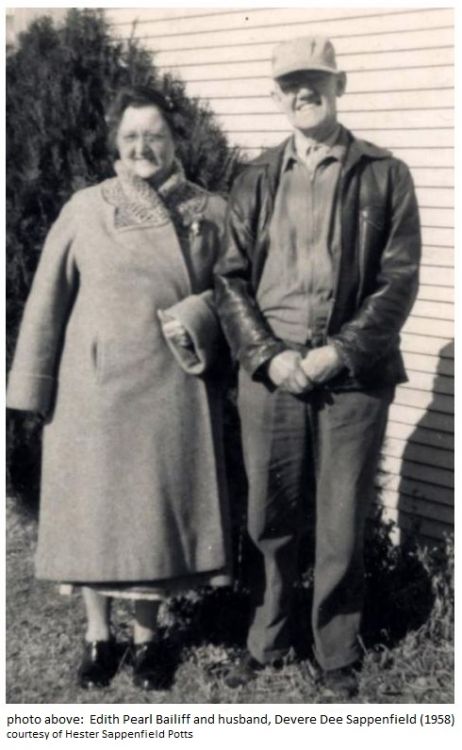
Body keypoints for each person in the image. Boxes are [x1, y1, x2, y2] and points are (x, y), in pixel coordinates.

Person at [215, 36, 420, 696]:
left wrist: (341, 352)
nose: (303, 92)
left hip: (352, 375)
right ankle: (267, 639)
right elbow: (228, 279)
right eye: (290, 84)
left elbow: (398, 280)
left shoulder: (385, 174)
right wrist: (267, 356)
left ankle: (336, 652)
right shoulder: (254, 177)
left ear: (340, 85)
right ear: (276, 95)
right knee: (267, 517)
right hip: (271, 374)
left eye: (315, 80)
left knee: (340, 522)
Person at [7, 86, 231, 691]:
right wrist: (31, 386)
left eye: (154, 135)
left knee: (151, 518)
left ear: (175, 140)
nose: (142, 147)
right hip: (94, 389)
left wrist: (198, 318)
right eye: (130, 136)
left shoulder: (211, 211)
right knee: (96, 515)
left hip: (170, 385)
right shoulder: (86, 207)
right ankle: (98, 637)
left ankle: (147, 641)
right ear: (115, 142)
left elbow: (236, 292)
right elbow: (47, 298)